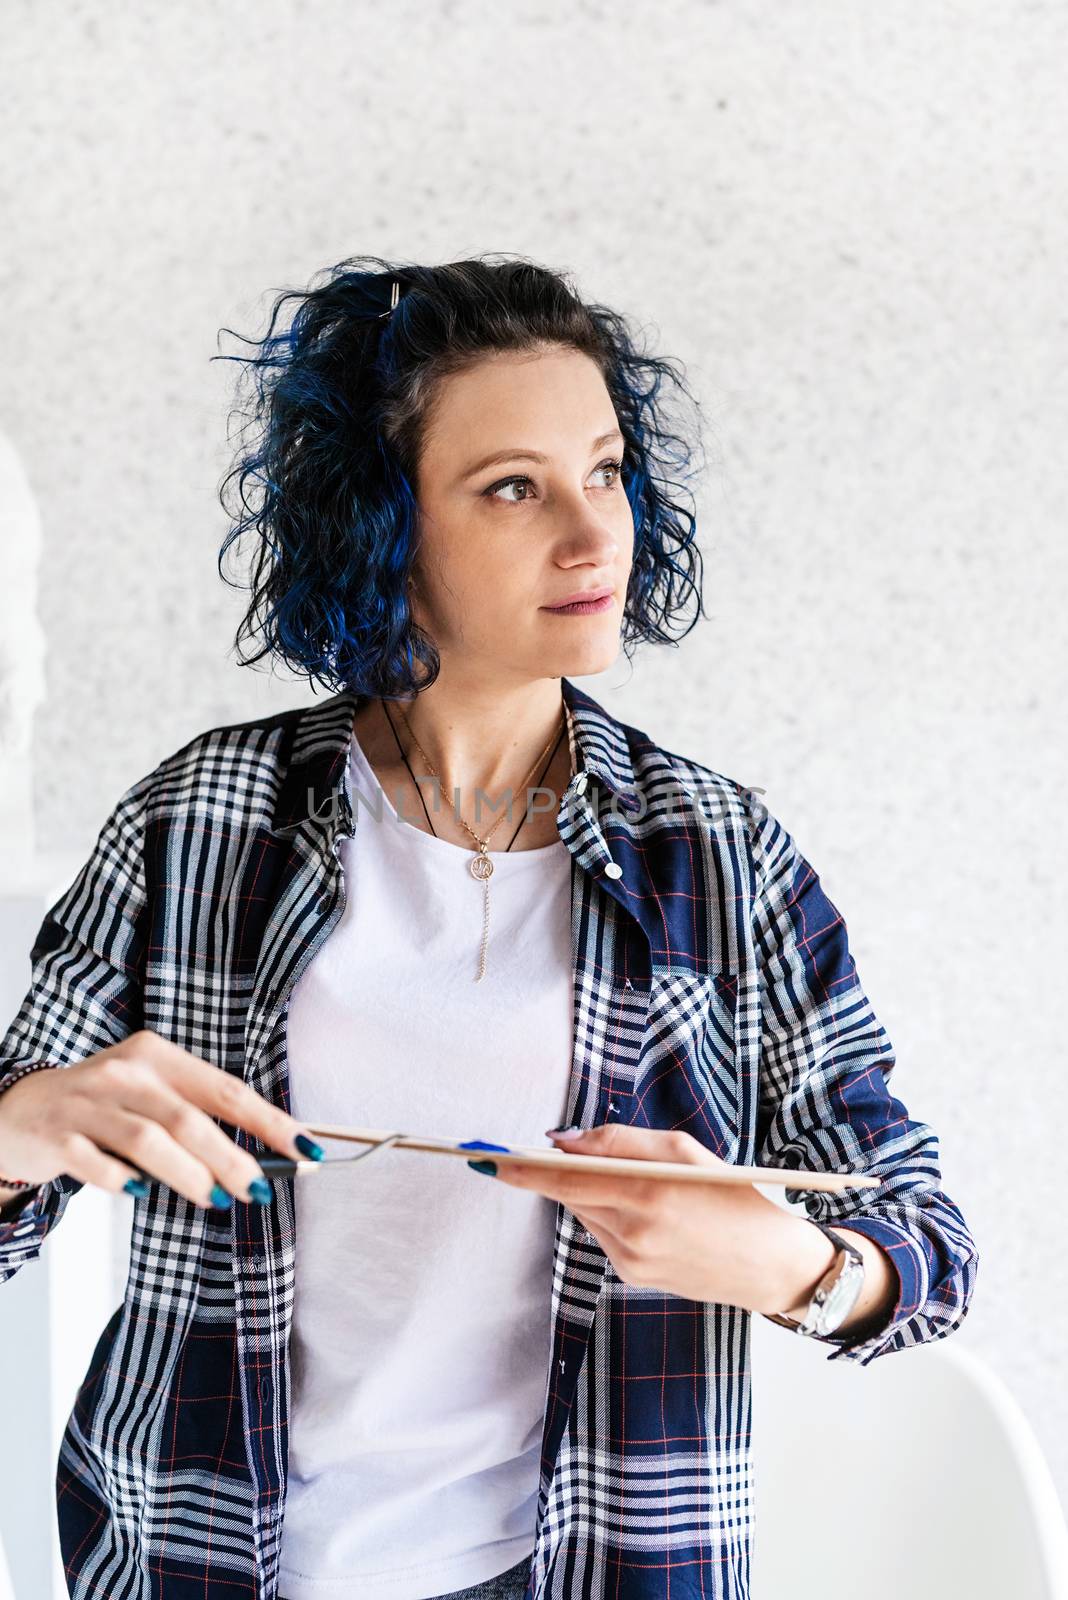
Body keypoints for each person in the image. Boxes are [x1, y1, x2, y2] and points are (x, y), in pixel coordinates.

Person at [0, 254, 979, 1600]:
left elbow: (919, 1232)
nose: (593, 534)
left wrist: (795, 1266)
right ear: (384, 528)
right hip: (197, 1554)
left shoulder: (718, 851)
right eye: (514, 487)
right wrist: (20, 1129)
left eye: (609, 470)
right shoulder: (201, 819)